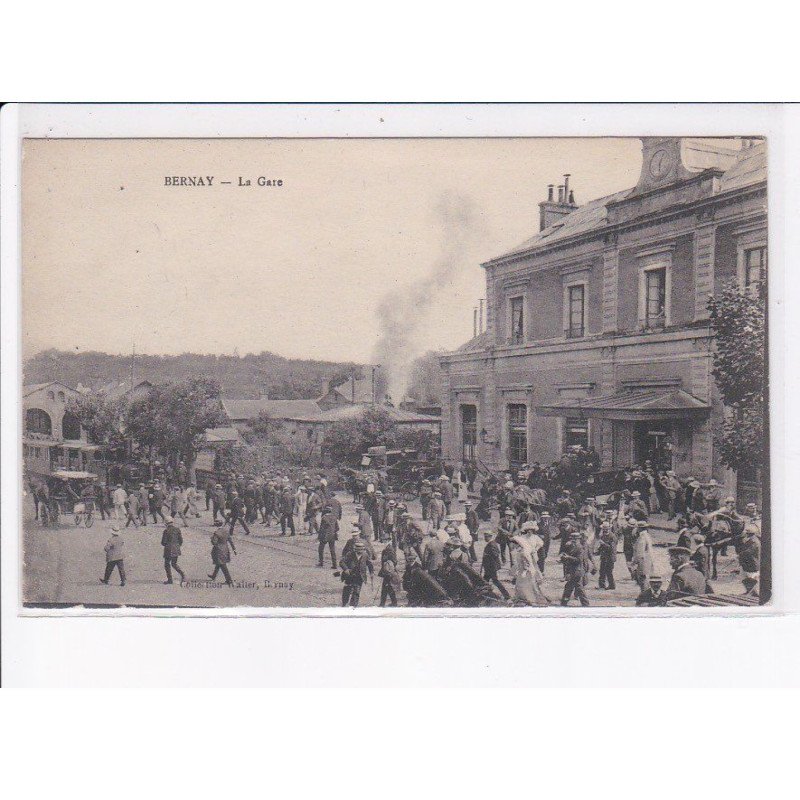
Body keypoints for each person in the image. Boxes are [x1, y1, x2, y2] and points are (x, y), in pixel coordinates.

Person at [339, 530, 374, 608]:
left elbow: (369, 564)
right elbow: (341, 562)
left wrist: (371, 572)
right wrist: (346, 569)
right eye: (358, 551)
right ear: (355, 550)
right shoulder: (350, 554)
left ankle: (353, 606)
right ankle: (344, 604)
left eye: (361, 551)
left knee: (356, 591)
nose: (360, 553)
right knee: (347, 590)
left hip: (359, 576)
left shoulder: (365, 555)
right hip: (349, 575)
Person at [560, 531, 590, 606]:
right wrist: (564, 557)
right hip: (573, 571)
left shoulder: (580, 548)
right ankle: (585, 604)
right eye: (572, 539)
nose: (572, 541)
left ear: (578, 539)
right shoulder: (571, 546)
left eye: (574, 539)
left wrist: (568, 557)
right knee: (575, 589)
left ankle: (564, 604)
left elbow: (578, 560)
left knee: (572, 588)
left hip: (577, 571)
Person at [480, 530, 509, 599]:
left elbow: (496, 554)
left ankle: (507, 595)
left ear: (490, 537)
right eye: (484, 537)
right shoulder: (491, 543)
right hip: (489, 566)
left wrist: (487, 555)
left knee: (495, 581)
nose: (485, 538)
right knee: (485, 581)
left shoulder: (492, 544)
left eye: (486, 537)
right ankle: (485, 593)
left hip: (491, 566)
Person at [161, 517, 186, 585]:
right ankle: (183, 575)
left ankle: (170, 579)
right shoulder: (177, 529)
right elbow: (181, 540)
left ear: (166, 523)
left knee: (167, 564)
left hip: (168, 549)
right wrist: (177, 546)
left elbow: (163, 542)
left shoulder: (166, 531)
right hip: (176, 548)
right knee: (174, 564)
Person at [630, 521, 655, 589]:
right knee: (646, 578)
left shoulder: (642, 537)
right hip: (648, 560)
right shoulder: (647, 535)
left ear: (639, 528)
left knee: (642, 579)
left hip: (643, 561)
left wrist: (634, 562)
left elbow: (640, 552)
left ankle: (644, 594)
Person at [738, 524, 761, 595]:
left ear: (750, 534)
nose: (746, 534)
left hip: (752, 564)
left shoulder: (754, 542)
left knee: (752, 579)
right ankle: (750, 591)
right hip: (747, 564)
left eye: (747, 533)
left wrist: (739, 554)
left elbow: (749, 552)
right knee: (743, 578)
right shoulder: (750, 540)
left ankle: (753, 593)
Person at [378, 542, 401, 607]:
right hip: (387, 572)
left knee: (386, 588)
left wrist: (388, 567)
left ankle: (383, 604)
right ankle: (393, 603)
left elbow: (394, 562)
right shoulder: (385, 550)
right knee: (388, 588)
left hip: (389, 573)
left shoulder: (390, 551)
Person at [597, 521, 618, 590]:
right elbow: (601, 546)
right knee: (602, 571)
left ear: (609, 528)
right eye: (603, 529)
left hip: (610, 557)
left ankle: (612, 585)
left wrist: (603, 544)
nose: (604, 530)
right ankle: (602, 585)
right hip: (604, 556)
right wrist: (599, 549)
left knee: (609, 572)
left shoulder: (612, 536)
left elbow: (612, 548)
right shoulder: (603, 535)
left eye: (606, 529)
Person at [317, 504, 339, 569]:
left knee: (321, 549)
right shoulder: (334, 517)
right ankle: (334, 564)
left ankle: (321, 562)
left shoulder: (324, 518)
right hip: (332, 536)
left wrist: (319, 536)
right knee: (332, 550)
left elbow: (321, 528)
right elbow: (337, 528)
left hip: (324, 536)